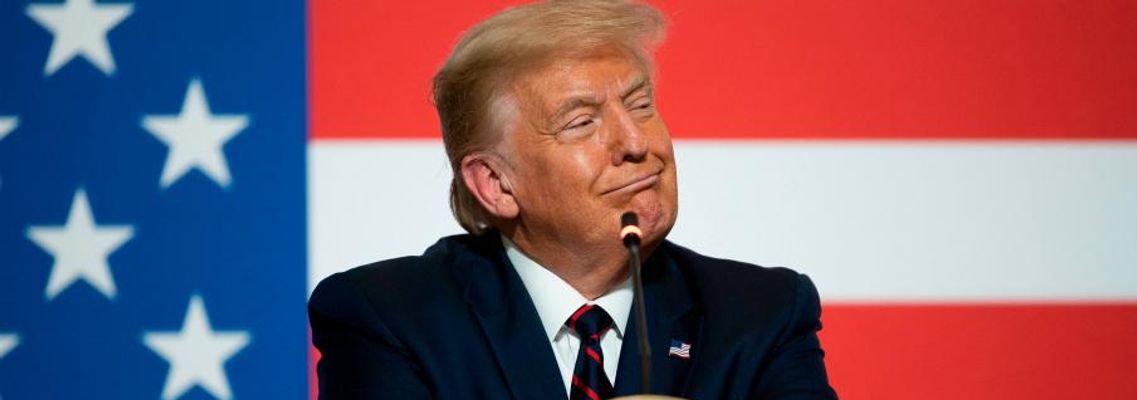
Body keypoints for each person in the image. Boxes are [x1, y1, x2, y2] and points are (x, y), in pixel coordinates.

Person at [307, 1, 837, 399]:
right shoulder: (393, 318)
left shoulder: (760, 315)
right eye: (582, 123)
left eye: (641, 105)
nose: (637, 143)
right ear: (495, 183)